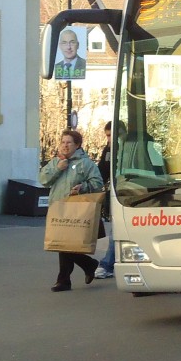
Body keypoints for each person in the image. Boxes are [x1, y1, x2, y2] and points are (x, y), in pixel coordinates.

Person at [39, 129, 103, 291]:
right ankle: (88, 265)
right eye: (63, 142)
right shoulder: (55, 162)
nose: (65, 145)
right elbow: (43, 180)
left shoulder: (86, 164)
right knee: (62, 243)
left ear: (77, 145)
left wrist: (83, 187)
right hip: (58, 208)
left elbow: (98, 183)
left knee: (65, 245)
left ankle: (64, 280)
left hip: (77, 209)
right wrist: (57, 169)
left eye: (69, 142)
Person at [93, 121, 117, 279]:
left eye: (110, 135)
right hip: (117, 194)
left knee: (116, 231)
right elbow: (101, 171)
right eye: (107, 136)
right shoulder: (108, 150)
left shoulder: (131, 147)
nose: (108, 139)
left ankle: (107, 265)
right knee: (116, 231)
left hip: (129, 193)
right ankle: (108, 264)